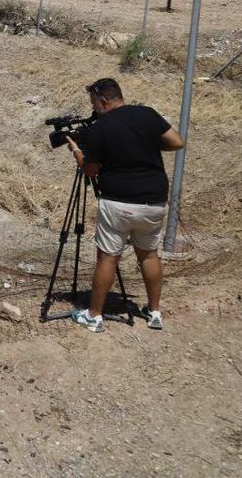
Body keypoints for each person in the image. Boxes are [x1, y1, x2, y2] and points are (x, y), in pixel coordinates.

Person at [64, 78, 185, 332]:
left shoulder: (101, 127)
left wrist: (76, 150)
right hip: (153, 201)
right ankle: (154, 312)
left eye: (94, 104)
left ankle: (94, 315)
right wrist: (147, 146)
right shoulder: (148, 114)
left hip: (118, 201)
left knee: (108, 257)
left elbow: (90, 170)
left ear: (104, 101)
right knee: (149, 254)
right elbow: (177, 142)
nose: (93, 109)